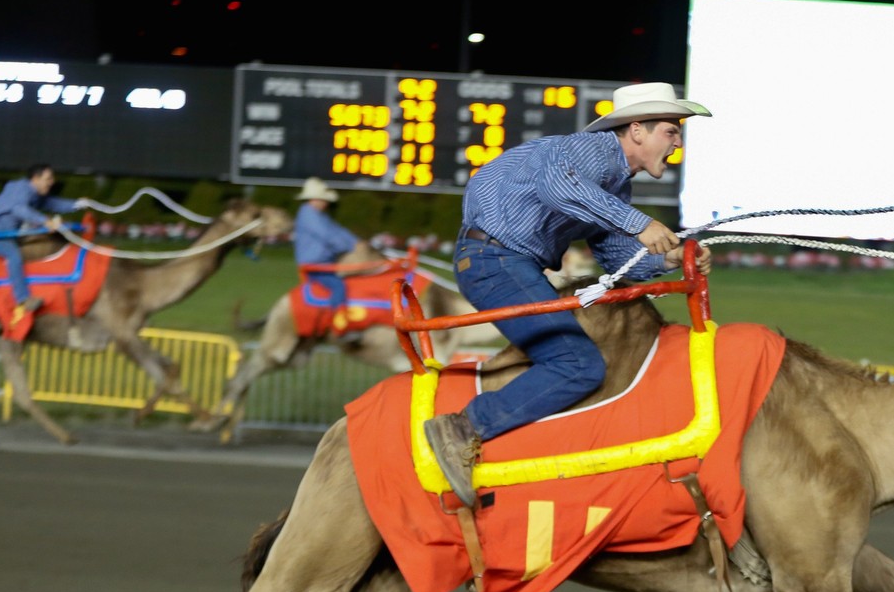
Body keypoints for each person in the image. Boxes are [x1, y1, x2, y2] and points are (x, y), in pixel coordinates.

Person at [424, 81, 714, 508]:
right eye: (671, 131)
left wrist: (668, 262)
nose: (677, 143)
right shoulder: (591, 151)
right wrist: (640, 224)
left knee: (584, 358)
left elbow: (615, 255)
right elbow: (558, 187)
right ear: (637, 130)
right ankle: (463, 429)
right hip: (496, 262)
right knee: (577, 366)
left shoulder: (613, 184)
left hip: (507, 263)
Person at [0, 163, 85, 315]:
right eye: (48, 178)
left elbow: (53, 203)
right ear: (35, 178)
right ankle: (23, 299)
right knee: (13, 255)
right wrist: (45, 221)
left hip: (12, 234)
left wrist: (77, 204)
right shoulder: (19, 188)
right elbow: (19, 209)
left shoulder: (34, 194)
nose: (52, 182)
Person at [292, 177, 361, 306]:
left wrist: (358, 242)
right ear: (314, 199)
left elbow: (339, 231)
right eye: (324, 199)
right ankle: (334, 319)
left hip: (325, 263)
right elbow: (328, 236)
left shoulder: (319, 215)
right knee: (338, 287)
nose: (326, 203)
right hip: (315, 265)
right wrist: (350, 247)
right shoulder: (308, 215)